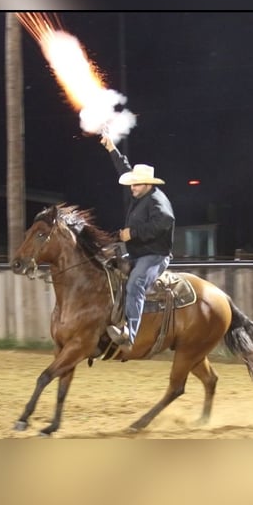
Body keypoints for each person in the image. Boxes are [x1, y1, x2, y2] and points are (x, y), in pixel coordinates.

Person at [100, 135, 175, 353]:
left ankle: (129, 335)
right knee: (106, 269)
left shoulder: (157, 202)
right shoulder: (141, 193)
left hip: (155, 256)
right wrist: (111, 148)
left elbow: (165, 221)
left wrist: (132, 233)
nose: (131, 186)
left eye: (135, 183)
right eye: (132, 183)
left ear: (147, 184)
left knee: (135, 284)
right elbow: (123, 169)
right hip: (138, 253)